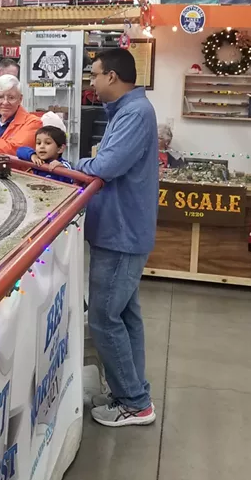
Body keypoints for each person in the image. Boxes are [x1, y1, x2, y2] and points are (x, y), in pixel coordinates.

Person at [74, 48, 158, 428]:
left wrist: (70, 167)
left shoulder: (135, 113)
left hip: (121, 232)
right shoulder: (126, 112)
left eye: (93, 75)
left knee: (104, 318)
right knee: (125, 315)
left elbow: (107, 165)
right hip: (121, 229)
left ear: (111, 76)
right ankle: (131, 390)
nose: (91, 83)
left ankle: (135, 403)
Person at [16, 112, 74, 183]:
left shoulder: (63, 164)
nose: (42, 146)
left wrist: (62, 167)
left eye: (48, 143)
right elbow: (20, 150)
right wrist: (32, 155)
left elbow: (73, 174)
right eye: (38, 143)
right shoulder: (36, 160)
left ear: (60, 148)